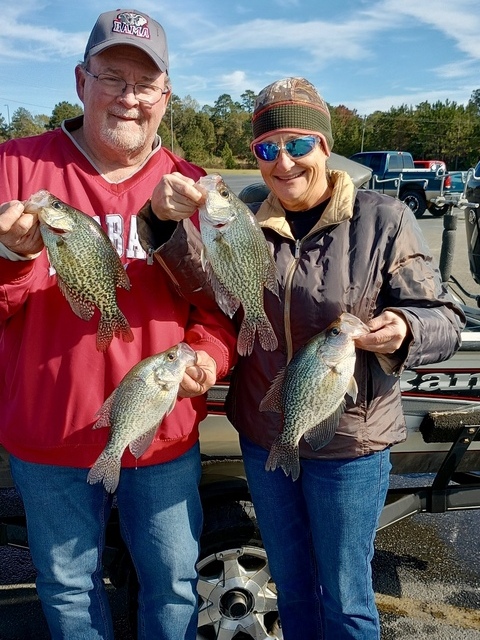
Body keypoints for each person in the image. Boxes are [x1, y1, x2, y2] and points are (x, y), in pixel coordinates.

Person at [138, 77, 465, 639]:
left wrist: (405, 328)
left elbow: (444, 318)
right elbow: (209, 290)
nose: (283, 162)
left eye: (298, 145)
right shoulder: (242, 218)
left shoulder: (382, 219)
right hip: (268, 430)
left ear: (325, 147)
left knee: (346, 597)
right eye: (267, 149)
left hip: (351, 441)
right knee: (290, 587)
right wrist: (164, 223)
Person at [0, 9, 237, 640]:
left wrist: (208, 357)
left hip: (158, 431)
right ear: (81, 81)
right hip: (48, 432)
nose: (128, 98)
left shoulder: (190, 187)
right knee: (69, 590)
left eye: (145, 84)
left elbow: (221, 309)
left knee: (173, 584)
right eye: (111, 77)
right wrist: (12, 259)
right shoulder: (14, 169)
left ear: (166, 97)